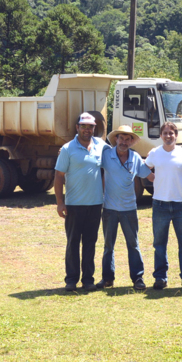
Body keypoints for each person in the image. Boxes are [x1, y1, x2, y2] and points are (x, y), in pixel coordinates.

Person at [54, 112, 108, 292]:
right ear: (77, 127)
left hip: (95, 204)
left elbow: (119, 153)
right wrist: (60, 203)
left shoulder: (101, 146)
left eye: (90, 126)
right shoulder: (68, 149)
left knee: (90, 243)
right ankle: (71, 280)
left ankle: (88, 280)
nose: (87, 129)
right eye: (83, 126)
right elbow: (59, 176)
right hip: (74, 205)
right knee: (73, 243)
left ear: (94, 128)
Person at [98, 125, 154, 291]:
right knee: (108, 246)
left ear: (131, 141)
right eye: (121, 138)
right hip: (109, 209)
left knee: (133, 245)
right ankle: (107, 279)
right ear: (116, 139)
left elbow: (150, 176)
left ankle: (138, 278)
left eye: (127, 139)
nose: (123, 142)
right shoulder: (106, 154)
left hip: (129, 209)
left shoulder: (135, 157)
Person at [144, 121, 182, 290]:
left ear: (176, 135)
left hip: (181, 204)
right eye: (165, 133)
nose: (168, 136)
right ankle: (160, 277)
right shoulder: (155, 153)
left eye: (171, 133)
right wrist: (151, 177)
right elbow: (144, 167)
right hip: (160, 204)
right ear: (161, 135)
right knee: (159, 243)